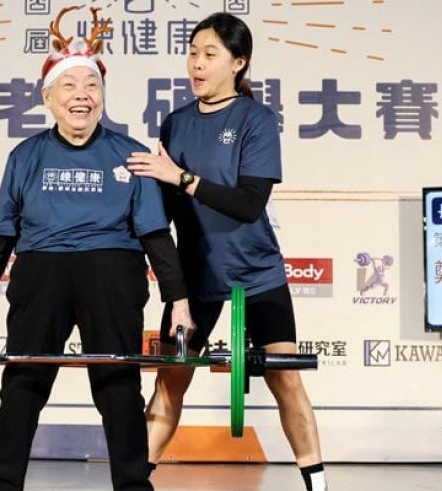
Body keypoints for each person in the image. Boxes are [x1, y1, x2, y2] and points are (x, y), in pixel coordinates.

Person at [0, 6, 193, 491]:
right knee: (23, 380)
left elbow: (155, 234)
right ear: (48, 98)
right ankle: (4, 485)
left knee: (117, 382)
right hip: (41, 270)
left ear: (103, 98)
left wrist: (179, 300)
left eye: (91, 87)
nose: (81, 96)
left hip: (112, 269)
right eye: (69, 86)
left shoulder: (130, 154)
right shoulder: (25, 156)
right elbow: (1, 233)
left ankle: (133, 486)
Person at [126, 12, 327, 491]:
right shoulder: (175, 123)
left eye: (209, 54)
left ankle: (317, 484)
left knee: (286, 378)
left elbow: (247, 203)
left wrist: (183, 177)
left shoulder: (256, 120)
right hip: (197, 282)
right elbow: (168, 212)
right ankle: (136, 481)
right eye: (193, 52)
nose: (197, 64)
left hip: (259, 275)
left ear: (239, 62)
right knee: (171, 382)